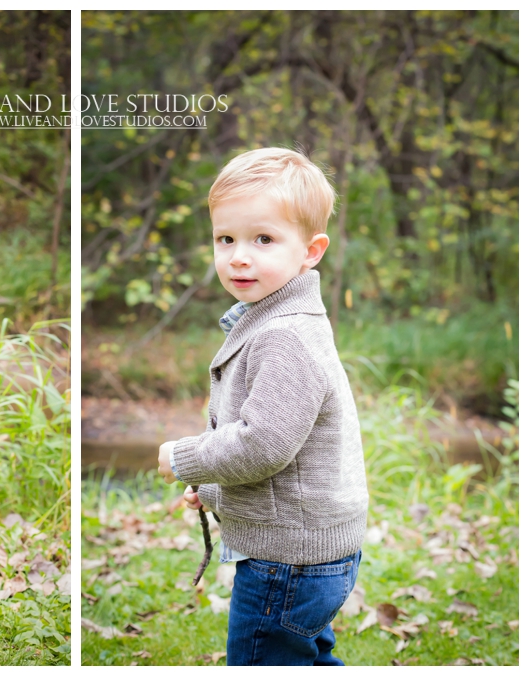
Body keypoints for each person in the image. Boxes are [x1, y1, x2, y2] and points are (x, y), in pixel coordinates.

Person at [157, 147, 369, 666]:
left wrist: (183, 458)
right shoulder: (276, 319)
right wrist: (212, 489)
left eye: (263, 239)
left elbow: (264, 444)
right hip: (307, 550)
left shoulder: (286, 334)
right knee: (306, 657)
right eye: (225, 239)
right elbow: (277, 445)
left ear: (311, 250)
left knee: (264, 660)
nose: (239, 256)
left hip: (289, 559)